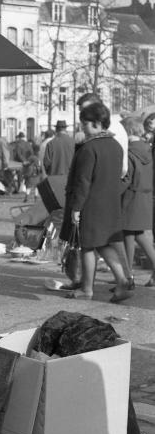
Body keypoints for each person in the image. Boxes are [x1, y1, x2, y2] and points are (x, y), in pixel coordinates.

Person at [59, 102, 131, 302]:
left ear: (98, 123)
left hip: (91, 204)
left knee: (87, 246)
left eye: (86, 124)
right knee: (103, 244)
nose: (83, 128)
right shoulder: (116, 146)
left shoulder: (89, 148)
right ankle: (122, 280)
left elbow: (83, 181)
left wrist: (76, 208)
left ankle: (87, 289)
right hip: (110, 203)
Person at [120, 117, 155, 286]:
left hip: (130, 196)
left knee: (127, 233)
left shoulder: (129, 152)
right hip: (145, 195)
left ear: (128, 131)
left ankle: (128, 275)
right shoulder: (148, 149)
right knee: (139, 234)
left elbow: (126, 178)